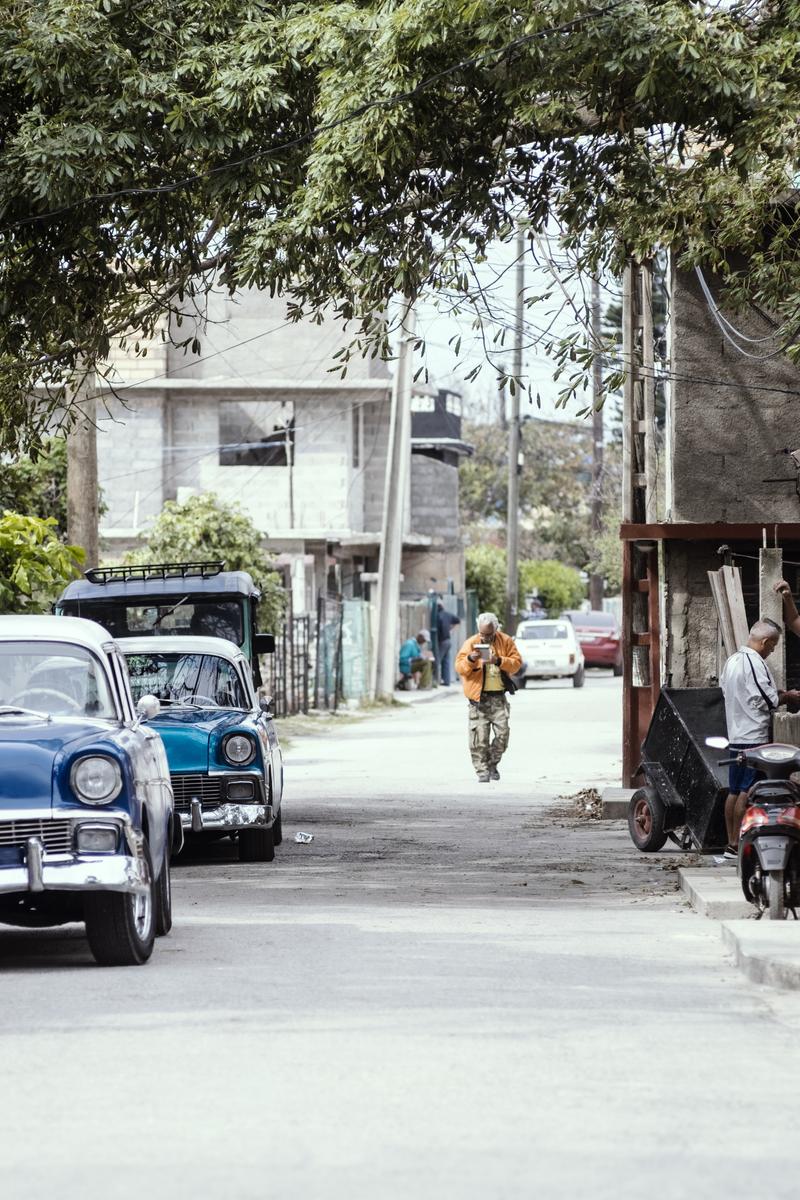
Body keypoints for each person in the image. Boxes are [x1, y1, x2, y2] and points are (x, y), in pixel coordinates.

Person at [719, 618, 800, 856]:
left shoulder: (732, 661)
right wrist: (788, 696)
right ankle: (738, 843)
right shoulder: (752, 662)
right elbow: (768, 701)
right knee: (747, 790)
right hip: (753, 736)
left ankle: (731, 843)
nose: (772, 651)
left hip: (736, 733)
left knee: (733, 790)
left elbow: (736, 693)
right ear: (765, 642)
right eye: (772, 646)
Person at [455, 611, 522, 782]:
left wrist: (498, 661)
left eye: (488, 634)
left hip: (498, 698)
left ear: (496, 629)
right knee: (479, 739)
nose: (484, 638)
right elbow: (460, 668)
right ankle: (482, 771)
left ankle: (492, 764)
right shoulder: (471, 643)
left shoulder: (505, 641)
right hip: (479, 700)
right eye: (482, 634)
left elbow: (516, 664)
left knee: (503, 736)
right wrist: (471, 659)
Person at [436, 602, 461, 686]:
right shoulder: (448, 614)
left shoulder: (437, 616)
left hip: (441, 642)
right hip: (448, 641)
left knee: (437, 660)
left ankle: (435, 681)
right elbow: (458, 620)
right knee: (446, 662)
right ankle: (446, 681)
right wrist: (451, 629)